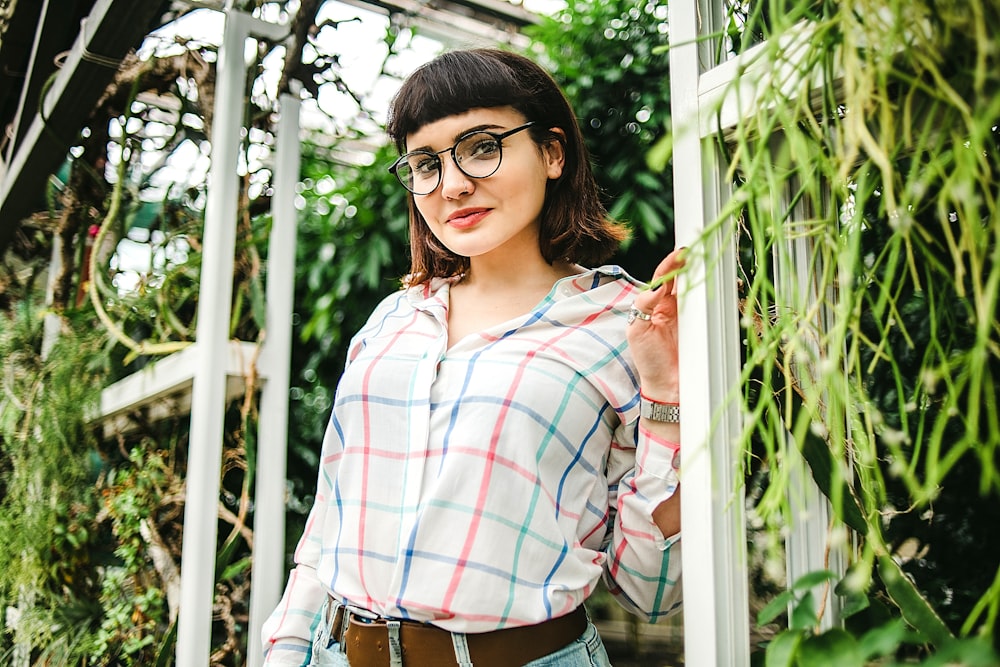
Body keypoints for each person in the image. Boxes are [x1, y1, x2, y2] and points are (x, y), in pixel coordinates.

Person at [262, 47, 684, 667]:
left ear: (552, 153)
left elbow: (654, 589)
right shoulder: (394, 321)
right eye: (425, 163)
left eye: (483, 146)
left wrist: (667, 396)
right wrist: (286, 650)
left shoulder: (625, 326)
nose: (452, 184)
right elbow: (330, 523)